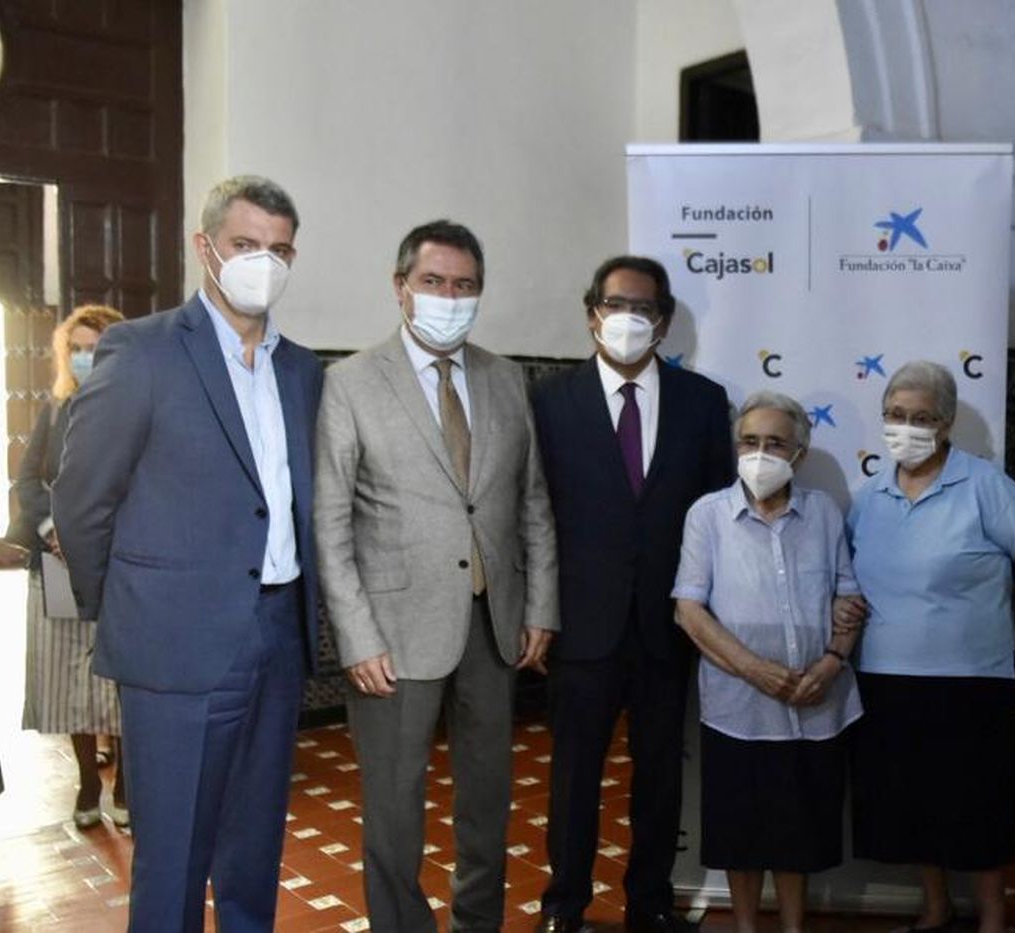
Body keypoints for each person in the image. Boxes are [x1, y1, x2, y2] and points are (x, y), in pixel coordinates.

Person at [53, 175, 323, 933]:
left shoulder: (301, 369)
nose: (261, 262)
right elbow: (81, 503)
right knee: (172, 858)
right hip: (172, 644)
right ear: (205, 248)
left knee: (254, 849)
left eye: (278, 249)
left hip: (276, 635)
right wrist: (133, 606)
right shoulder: (141, 351)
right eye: (245, 245)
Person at [315, 219, 559, 930]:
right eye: (434, 282)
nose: (450, 297)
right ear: (401, 289)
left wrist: (540, 605)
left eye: (465, 285)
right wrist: (356, 637)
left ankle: (476, 922)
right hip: (393, 633)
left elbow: (533, 503)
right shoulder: (352, 383)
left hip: (493, 624)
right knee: (394, 802)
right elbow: (331, 524)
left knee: (488, 798)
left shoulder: (507, 378)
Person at [532, 255, 735, 933]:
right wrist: (538, 613)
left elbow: (714, 517)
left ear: (665, 321)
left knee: (659, 777)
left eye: (644, 308)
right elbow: (533, 513)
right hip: (580, 624)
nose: (628, 318)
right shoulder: (549, 400)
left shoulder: (703, 403)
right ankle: (565, 907)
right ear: (592, 312)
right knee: (573, 779)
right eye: (615, 304)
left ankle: (650, 903)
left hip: (666, 622)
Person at [846, 360, 1015, 933]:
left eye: (920, 417)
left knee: (976, 804)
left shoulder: (986, 485)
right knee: (913, 805)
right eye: (894, 415)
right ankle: (934, 908)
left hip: (972, 680)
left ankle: (991, 915)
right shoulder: (870, 496)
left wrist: (986, 617)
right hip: (886, 676)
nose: (905, 427)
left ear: (947, 422)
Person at [673, 391, 865, 933]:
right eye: (750, 441)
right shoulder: (707, 515)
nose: (760, 453)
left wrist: (831, 662)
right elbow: (689, 609)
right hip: (738, 707)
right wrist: (756, 670)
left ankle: (793, 926)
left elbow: (847, 597)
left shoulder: (824, 513)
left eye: (775, 443)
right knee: (741, 832)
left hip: (814, 702)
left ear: (799, 454)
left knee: (798, 831)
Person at [10, 304, 128, 828]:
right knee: (67, 683)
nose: (85, 358)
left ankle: (127, 785)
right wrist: (50, 530)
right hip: (57, 564)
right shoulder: (55, 410)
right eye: (76, 349)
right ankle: (86, 782)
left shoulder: (137, 408)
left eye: (95, 348)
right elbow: (27, 482)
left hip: (119, 565)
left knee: (119, 679)